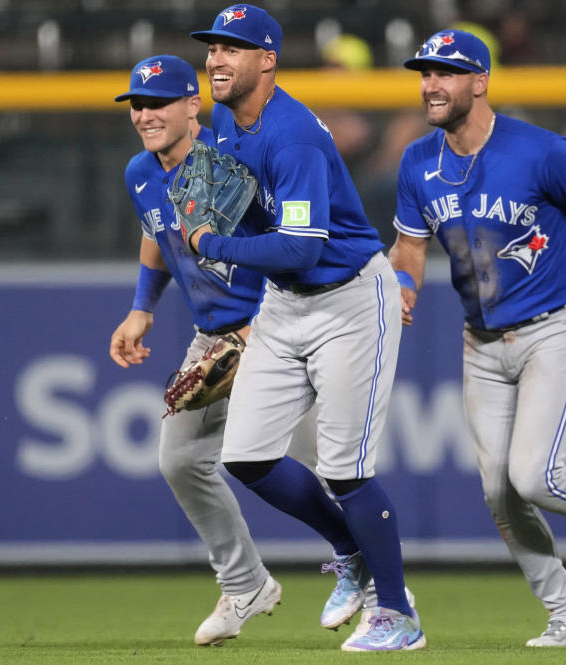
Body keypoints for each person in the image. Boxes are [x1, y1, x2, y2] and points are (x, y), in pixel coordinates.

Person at [388, 30, 566, 648]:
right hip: (481, 344)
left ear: (480, 81)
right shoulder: (417, 162)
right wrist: (403, 286)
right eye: (425, 73)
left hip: (555, 330)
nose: (431, 84)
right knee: (498, 491)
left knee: (534, 476)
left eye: (446, 73)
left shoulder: (541, 152)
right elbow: (409, 246)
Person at [184, 4, 425, 652]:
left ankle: (399, 613)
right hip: (286, 306)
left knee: (345, 469)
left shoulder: (290, 134)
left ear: (267, 59)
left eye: (232, 48)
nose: (216, 59)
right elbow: (237, 212)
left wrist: (212, 243)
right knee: (247, 455)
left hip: (349, 301)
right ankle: (349, 548)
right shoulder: (223, 119)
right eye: (212, 48)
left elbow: (300, 248)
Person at [109, 54, 281, 647]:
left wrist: (268, 323)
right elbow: (155, 231)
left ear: (192, 105)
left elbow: (296, 241)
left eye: (158, 103)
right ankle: (246, 582)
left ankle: (379, 588)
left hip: (279, 331)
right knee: (180, 460)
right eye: (137, 103)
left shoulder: (235, 159)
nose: (145, 114)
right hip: (214, 336)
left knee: (324, 467)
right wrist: (141, 307)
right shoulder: (139, 172)